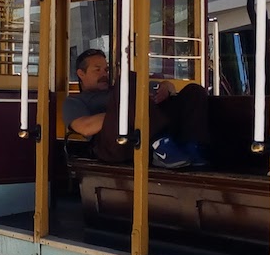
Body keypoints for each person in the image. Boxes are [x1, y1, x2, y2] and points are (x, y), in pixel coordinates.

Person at [62, 48, 210, 169]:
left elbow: (166, 86)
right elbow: (85, 127)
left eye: (106, 70)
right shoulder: (74, 101)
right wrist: (122, 110)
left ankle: (191, 148)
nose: (104, 74)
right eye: (97, 70)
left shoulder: (119, 90)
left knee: (194, 91)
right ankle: (160, 147)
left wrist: (166, 87)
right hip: (113, 145)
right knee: (128, 79)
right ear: (81, 74)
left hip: (140, 133)